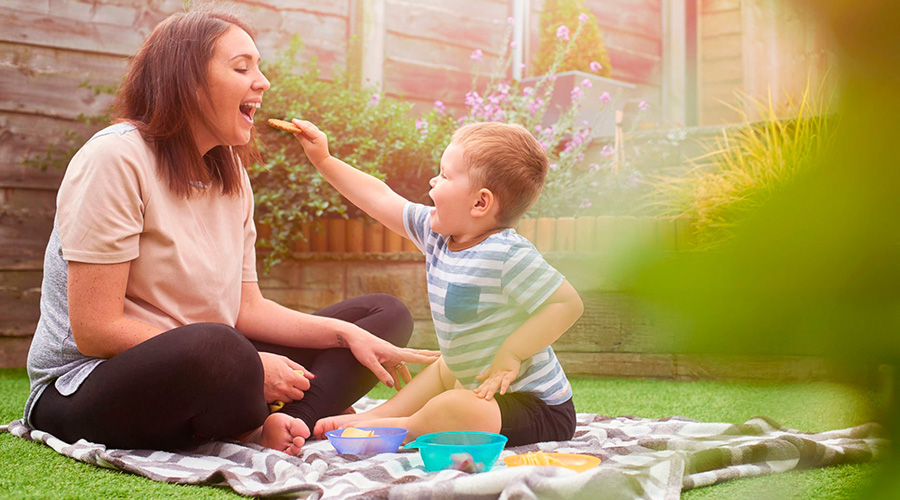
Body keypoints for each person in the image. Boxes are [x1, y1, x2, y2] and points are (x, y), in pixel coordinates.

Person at [23, 6, 438, 456]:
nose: (262, 82)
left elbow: (247, 307)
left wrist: (344, 335)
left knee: (383, 314)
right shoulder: (115, 159)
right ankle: (253, 415)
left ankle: (283, 427)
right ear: (187, 80)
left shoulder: (231, 174)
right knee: (220, 346)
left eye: (258, 67)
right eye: (242, 67)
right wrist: (253, 368)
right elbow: (96, 329)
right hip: (88, 384)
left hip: (215, 362)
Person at [289, 119, 585, 447]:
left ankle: (404, 427)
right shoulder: (436, 234)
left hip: (536, 406)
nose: (433, 179)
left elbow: (566, 303)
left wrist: (512, 353)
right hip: (474, 383)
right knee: (444, 367)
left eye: (444, 175)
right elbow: (379, 199)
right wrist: (324, 160)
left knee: (453, 408)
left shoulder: (506, 254)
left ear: (480, 203)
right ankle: (376, 416)